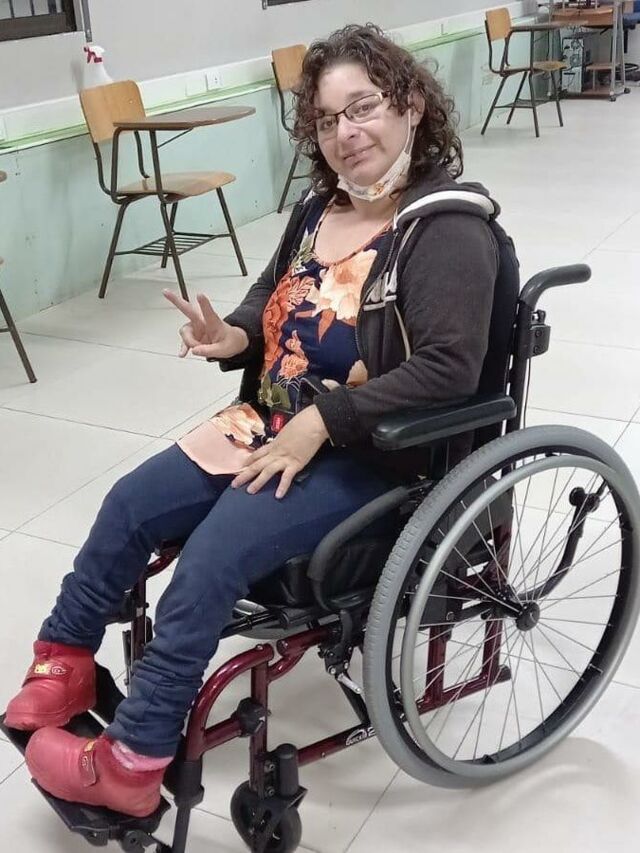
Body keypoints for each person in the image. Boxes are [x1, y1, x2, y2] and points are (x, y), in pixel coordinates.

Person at [5, 24, 504, 817]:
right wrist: (234, 336)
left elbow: (449, 369)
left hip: (366, 454)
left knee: (209, 559)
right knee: (129, 505)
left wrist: (325, 420)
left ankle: (134, 758)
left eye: (363, 107)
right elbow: (272, 300)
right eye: (327, 119)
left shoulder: (446, 229)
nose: (345, 133)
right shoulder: (318, 208)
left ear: (411, 103)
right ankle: (62, 662)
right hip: (269, 423)